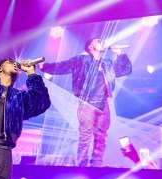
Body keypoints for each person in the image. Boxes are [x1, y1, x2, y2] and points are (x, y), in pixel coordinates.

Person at [39, 38, 132, 167]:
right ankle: (82, 166)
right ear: (90, 47)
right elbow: (62, 66)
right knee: (85, 136)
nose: (102, 41)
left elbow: (126, 70)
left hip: (103, 104)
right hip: (86, 103)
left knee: (101, 136)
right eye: (98, 40)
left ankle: (96, 164)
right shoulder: (81, 61)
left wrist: (120, 53)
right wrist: (45, 67)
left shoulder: (108, 64)